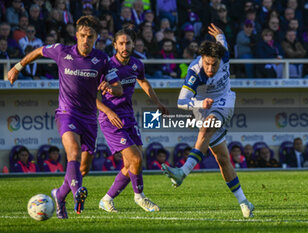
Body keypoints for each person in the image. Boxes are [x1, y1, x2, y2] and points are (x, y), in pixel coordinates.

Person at [7, 15, 122, 219]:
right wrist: (18, 67)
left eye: (90, 36)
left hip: (89, 118)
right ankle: (78, 193)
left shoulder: (102, 59)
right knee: (73, 153)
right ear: (76, 35)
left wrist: (111, 89)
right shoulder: (63, 51)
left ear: (96, 37)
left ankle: (59, 196)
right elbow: (39, 51)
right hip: (67, 113)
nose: (86, 40)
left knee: (83, 168)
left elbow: (119, 88)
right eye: (83, 36)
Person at [161, 24, 254, 218]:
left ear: (221, 59)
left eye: (214, 64)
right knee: (222, 159)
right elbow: (181, 101)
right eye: (207, 64)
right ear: (202, 60)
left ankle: (182, 173)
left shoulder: (224, 53)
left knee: (205, 129)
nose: (210, 68)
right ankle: (244, 202)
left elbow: (222, 40)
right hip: (202, 106)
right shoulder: (195, 72)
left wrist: (220, 34)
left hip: (224, 102)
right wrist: (200, 102)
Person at [97, 28, 168, 213]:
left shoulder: (137, 64)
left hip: (128, 116)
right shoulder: (106, 66)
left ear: (133, 44)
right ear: (114, 45)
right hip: (111, 119)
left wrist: (158, 103)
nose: (124, 46)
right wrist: (108, 110)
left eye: (127, 43)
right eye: (120, 43)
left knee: (132, 164)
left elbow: (143, 81)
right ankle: (140, 197)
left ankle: (106, 199)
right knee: (135, 158)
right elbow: (90, 96)